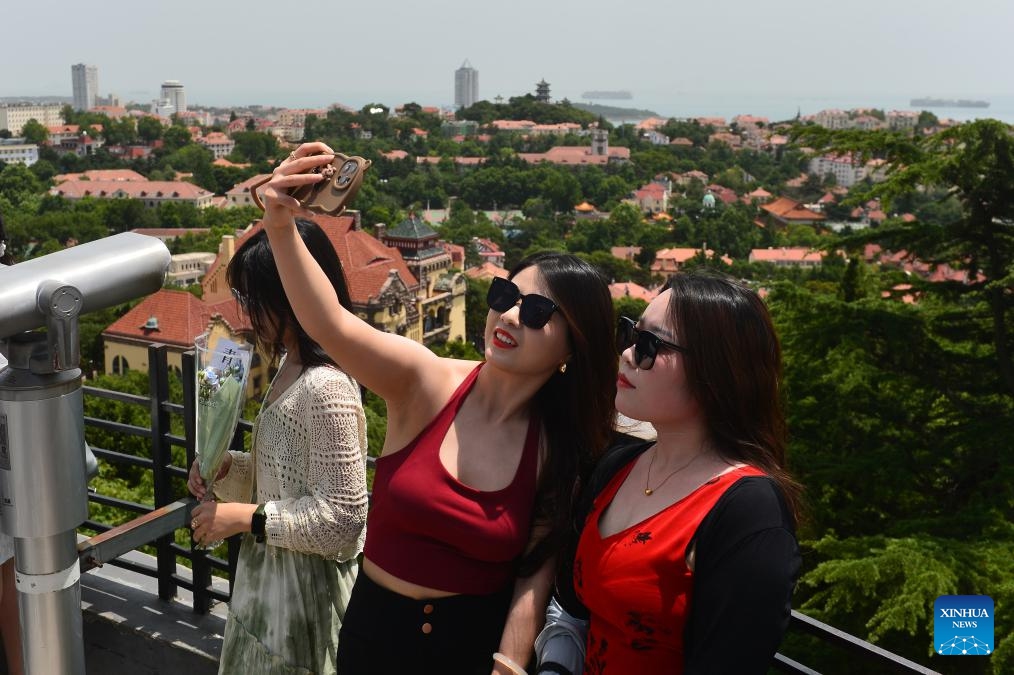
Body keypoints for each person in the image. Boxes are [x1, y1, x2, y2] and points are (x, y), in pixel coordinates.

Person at [257, 141, 618, 675]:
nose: (511, 315)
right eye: (504, 295)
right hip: (376, 641)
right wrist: (280, 223)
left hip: (471, 651)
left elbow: (534, 575)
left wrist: (512, 663)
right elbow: (329, 323)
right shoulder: (426, 383)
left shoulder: (554, 444)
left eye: (538, 311)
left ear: (573, 348)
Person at [535, 270, 802, 675]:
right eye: (630, 335)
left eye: (649, 345)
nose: (626, 354)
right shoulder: (618, 466)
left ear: (715, 372)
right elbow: (572, 609)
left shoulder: (749, 511)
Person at [187, 220, 369, 674]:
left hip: (305, 600)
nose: (248, 312)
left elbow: (343, 519)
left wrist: (243, 518)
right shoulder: (292, 361)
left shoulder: (326, 385)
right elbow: (285, 481)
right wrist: (231, 468)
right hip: (272, 585)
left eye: (254, 298)